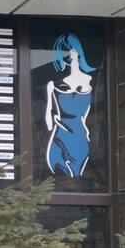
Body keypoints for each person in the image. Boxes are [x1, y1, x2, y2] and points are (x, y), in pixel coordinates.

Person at [45, 33, 95, 178]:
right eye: (64, 50)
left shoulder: (89, 81)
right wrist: (50, 126)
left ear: (78, 51)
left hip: (79, 136)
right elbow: (49, 111)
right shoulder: (53, 84)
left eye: (71, 49)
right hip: (60, 134)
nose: (68, 53)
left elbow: (86, 114)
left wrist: (87, 129)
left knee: (77, 173)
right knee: (59, 170)